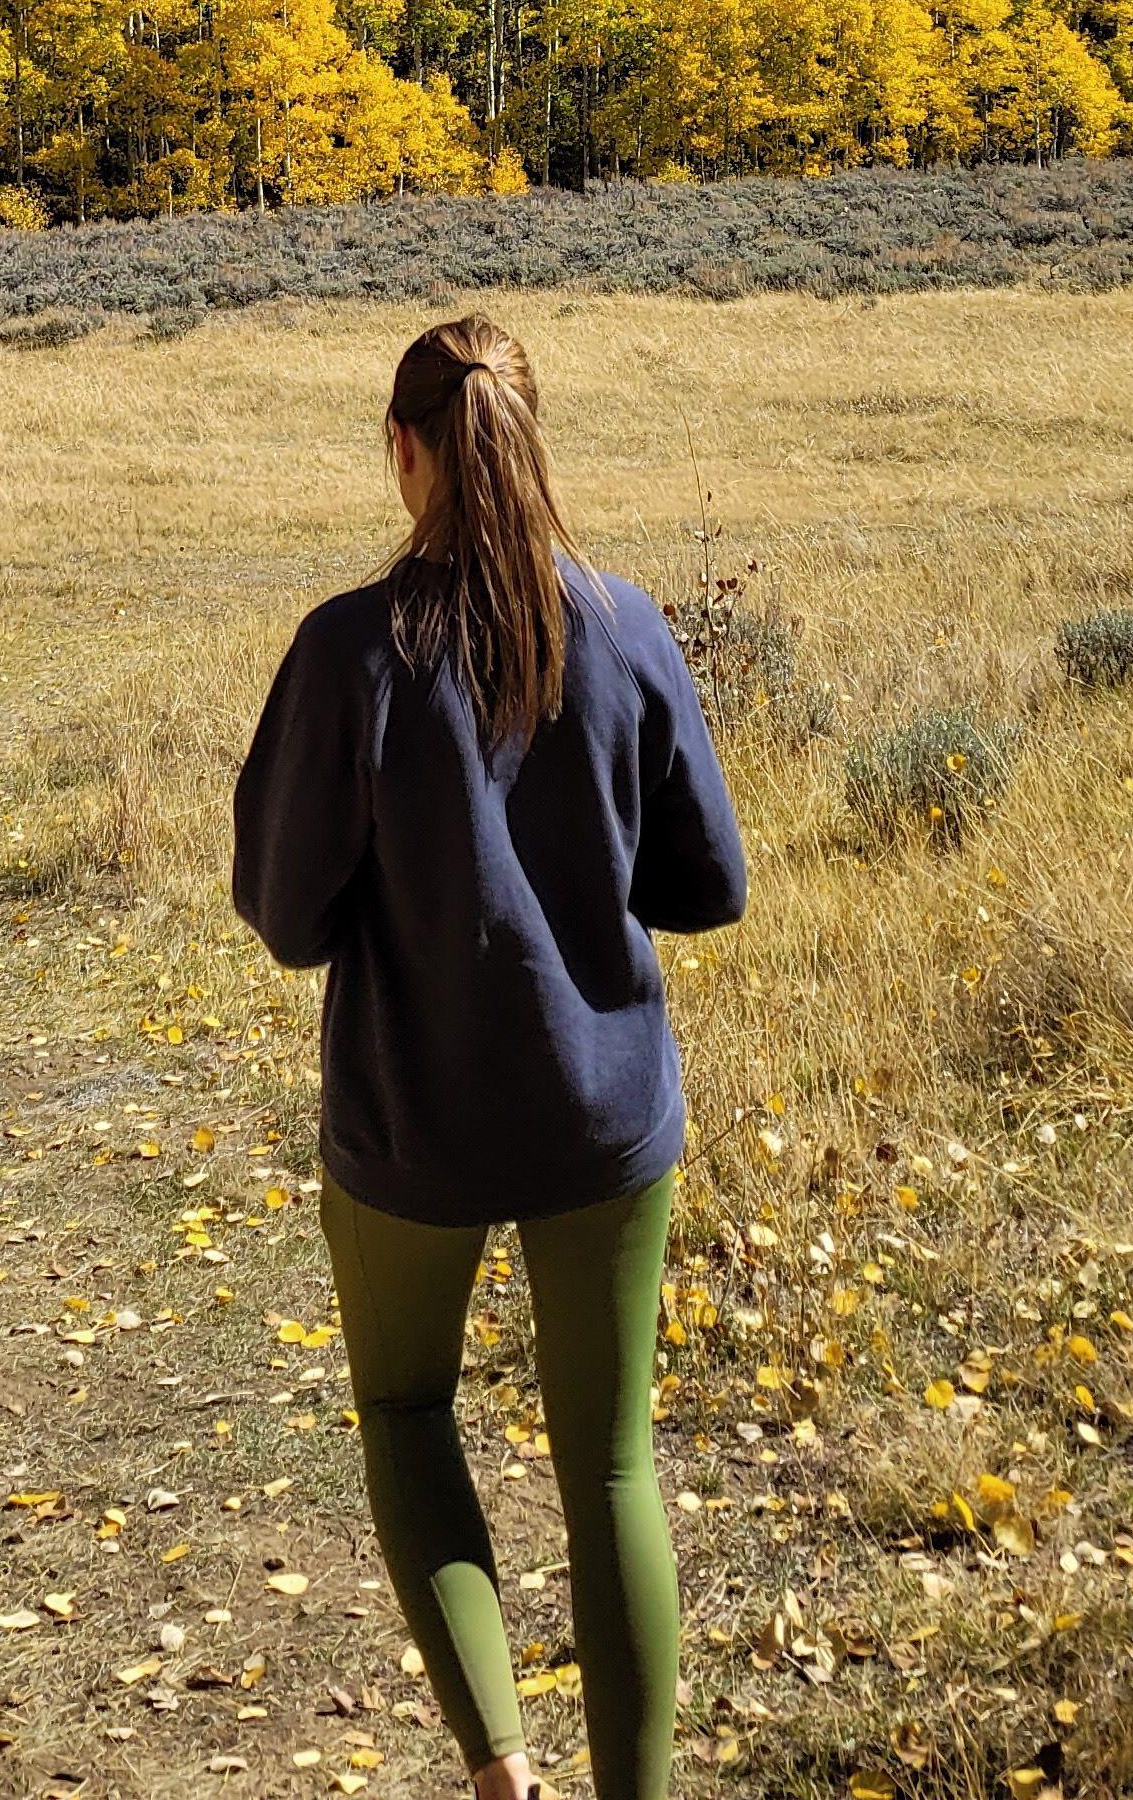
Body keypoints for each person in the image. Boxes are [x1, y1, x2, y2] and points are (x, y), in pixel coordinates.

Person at [230, 316, 751, 1800]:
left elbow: (285, 916)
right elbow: (708, 887)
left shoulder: (348, 652)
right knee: (612, 1470)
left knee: (407, 1412)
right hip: (603, 1118)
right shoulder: (631, 625)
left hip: (411, 1126)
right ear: (530, 441)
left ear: (403, 452)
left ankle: (502, 1774)